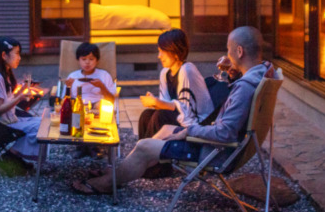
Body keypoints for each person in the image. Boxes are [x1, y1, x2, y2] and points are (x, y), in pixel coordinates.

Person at [72, 26, 273, 195]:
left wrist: (190, 130)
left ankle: (107, 183)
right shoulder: (261, 75)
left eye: (229, 51)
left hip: (211, 151)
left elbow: (224, 132)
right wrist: (233, 74)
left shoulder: (244, 87)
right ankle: (116, 172)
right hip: (220, 147)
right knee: (157, 133)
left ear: (239, 51)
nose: (226, 56)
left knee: (144, 146)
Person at [138, 28, 213, 139]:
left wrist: (159, 103)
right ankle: (144, 148)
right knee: (146, 115)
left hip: (198, 122)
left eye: (163, 51)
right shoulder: (165, 73)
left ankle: (152, 149)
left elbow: (187, 111)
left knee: (160, 116)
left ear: (175, 51)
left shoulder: (187, 70)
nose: (159, 56)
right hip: (180, 117)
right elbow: (167, 105)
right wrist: (156, 102)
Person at [0, 37, 42, 161]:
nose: (19, 58)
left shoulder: (5, 75)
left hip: (9, 120)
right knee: (41, 127)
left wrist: (22, 90)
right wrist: (20, 97)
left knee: (44, 122)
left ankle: (15, 156)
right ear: (4, 55)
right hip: (1, 125)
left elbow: (7, 99)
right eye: (16, 53)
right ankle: (12, 155)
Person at [64, 42, 116, 108]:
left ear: (97, 61)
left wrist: (102, 86)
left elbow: (111, 100)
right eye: (84, 59)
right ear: (78, 60)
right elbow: (65, 101)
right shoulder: (72, 76)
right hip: (77, 105)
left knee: (102, 105)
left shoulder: (104, 75)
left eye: (91, 59)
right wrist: (68, 87)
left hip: (98, 106)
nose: (87, 62)